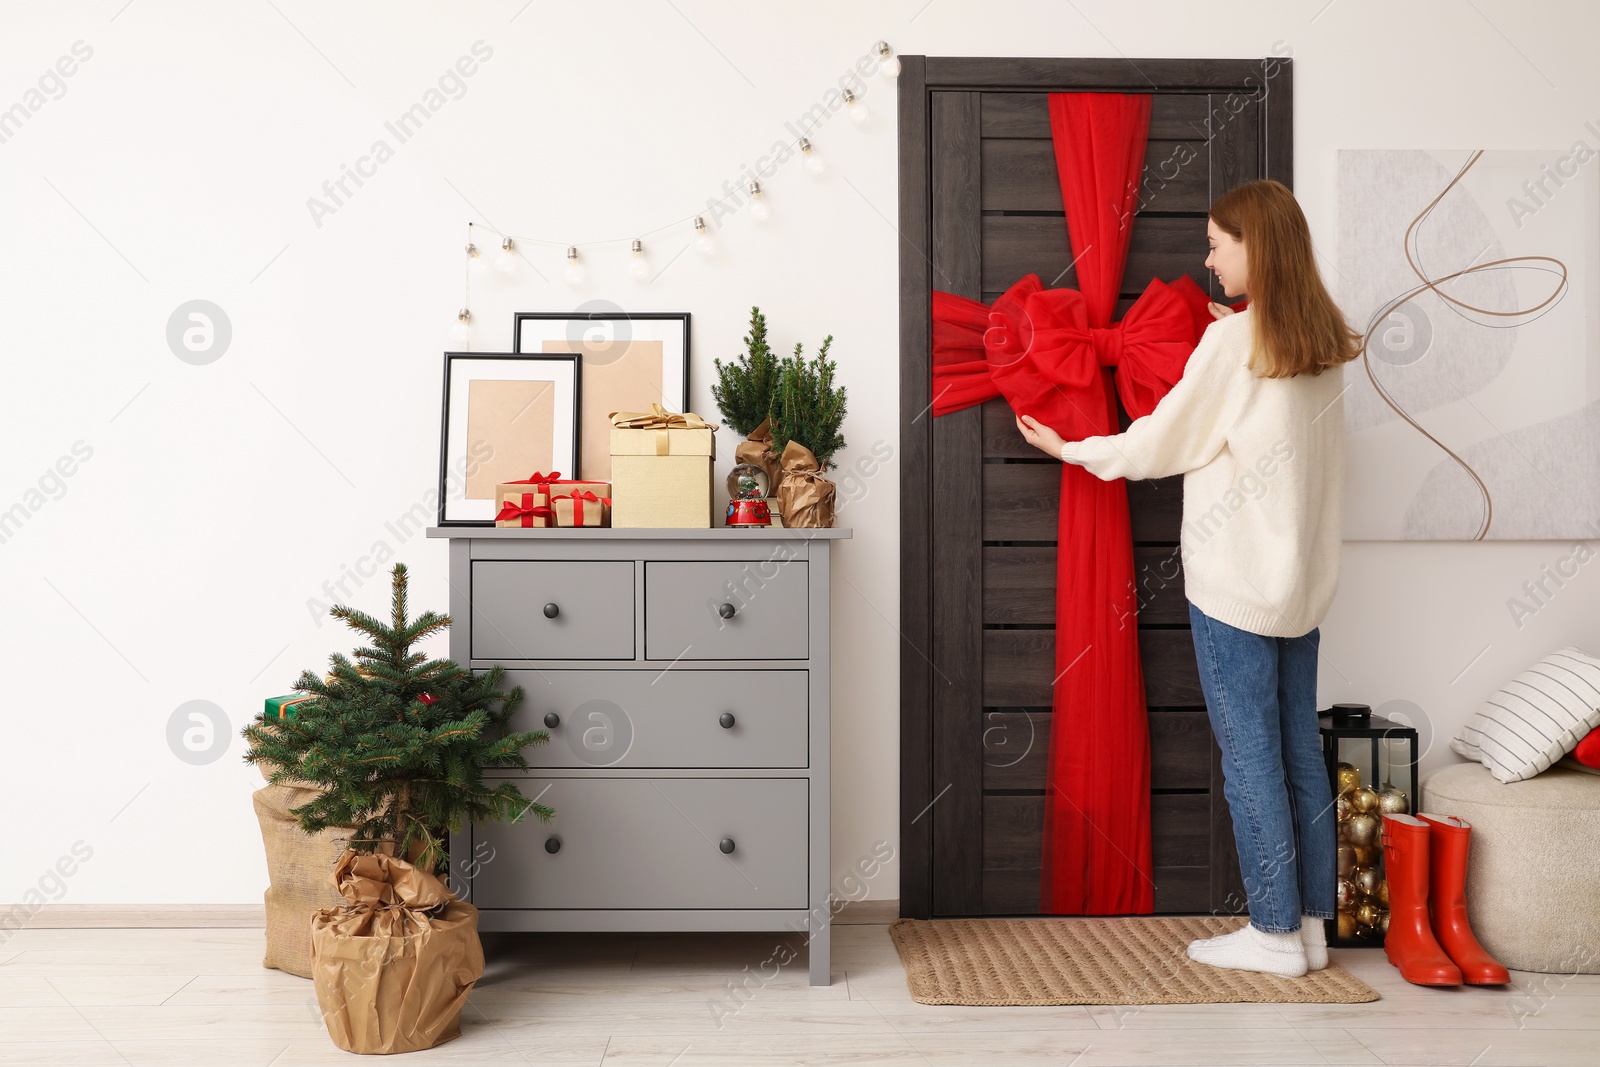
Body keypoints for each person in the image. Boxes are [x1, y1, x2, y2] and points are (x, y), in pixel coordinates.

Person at [1014, 179, 1360, 979]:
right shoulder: (1323, 342)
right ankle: (1309, 927)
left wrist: (1072, 449)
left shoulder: (1232, 346)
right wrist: (1225, 336)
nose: (1207, 260)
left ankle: (1272, 935)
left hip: (1236, 586)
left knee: (1249, 761)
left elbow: (1157, 443)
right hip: (1301, 587)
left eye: (1216, 244)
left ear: (1255, 247)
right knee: (1298, 755)